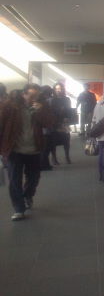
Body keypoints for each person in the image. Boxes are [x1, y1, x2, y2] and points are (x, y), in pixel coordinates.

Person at [0, 84, 52, 221]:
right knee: (14, 180)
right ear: (24, 94)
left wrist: (41, 112)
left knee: (34, 178)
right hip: (15, 150)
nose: (34, 99)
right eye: (31, 96)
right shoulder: (10, 106)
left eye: (37, 96)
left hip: (34, 149)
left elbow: (49, 123)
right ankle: (19, 209)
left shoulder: (42, 106)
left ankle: (28, 195)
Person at [49, 82, 72, 164]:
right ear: (54, 90)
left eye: (60, 89)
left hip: (64, 123)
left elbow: (69, 110)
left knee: (66, 140)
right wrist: (59, 111)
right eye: (57, 89)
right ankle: (54, 158)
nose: (59, 90)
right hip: (54, 123)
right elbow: (50, 112)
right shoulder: (52, 100)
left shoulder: (67, 99)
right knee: (53, 141)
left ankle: (67, 156)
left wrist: (67, 118)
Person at [38, 86, 55, 170]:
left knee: (46, 148)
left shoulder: (44, 101)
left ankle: (45, 164)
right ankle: (43, 165)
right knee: (46, 148)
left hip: (45, 129)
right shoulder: (45, 102)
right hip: (45, 129)